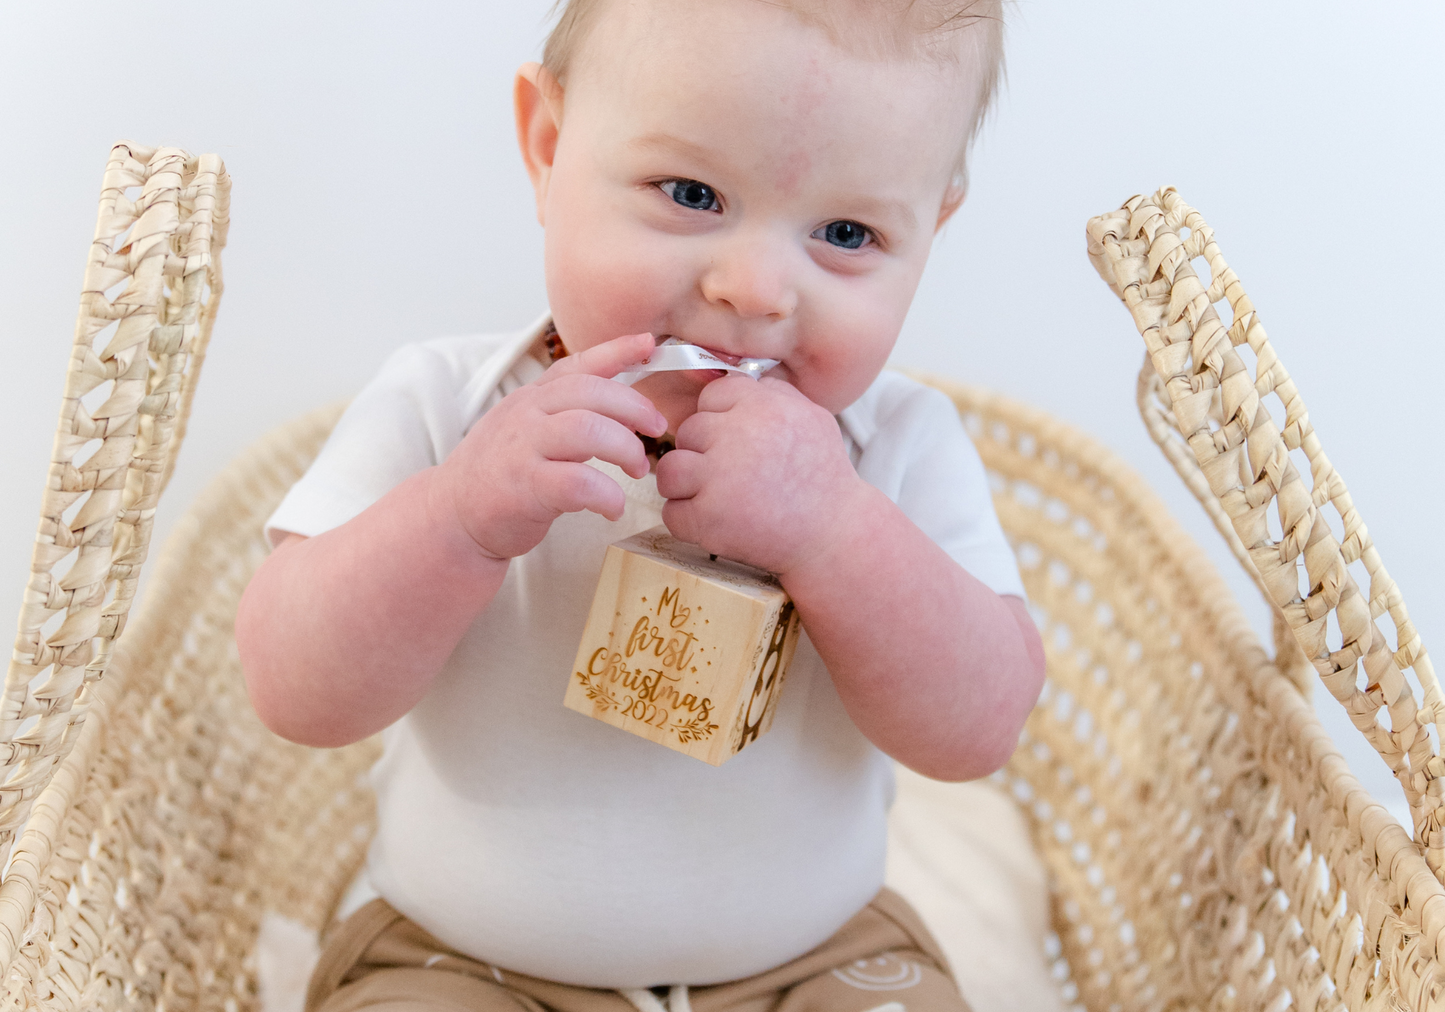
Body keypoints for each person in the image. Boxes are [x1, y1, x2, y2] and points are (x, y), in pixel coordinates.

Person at [236, 0, 1046, 1008]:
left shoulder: (895, 445)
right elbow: (290, 687)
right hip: (459, 955)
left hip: (812, 959)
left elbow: (978, 728)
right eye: (690, 192)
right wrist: (455, 517)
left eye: (846, 232)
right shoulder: (448, 403)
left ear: (932, 226)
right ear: (546, 145)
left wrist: (833, 529)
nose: (753, 288)